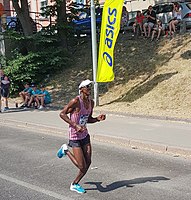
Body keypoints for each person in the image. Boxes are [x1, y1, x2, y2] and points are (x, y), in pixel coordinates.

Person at [57, 79, 106, 194]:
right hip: (74, 136)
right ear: (81, 89)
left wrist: (97, 119)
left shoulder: (91, 103)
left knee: (88, 163)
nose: (89, 89)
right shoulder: (75, 101)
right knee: (81, 166)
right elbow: (62, 114)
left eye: (90, 87)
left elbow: (88, 119)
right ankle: (66, 150)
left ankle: (75, 184)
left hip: (84, 135)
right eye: (87, 87)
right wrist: (75, 125)